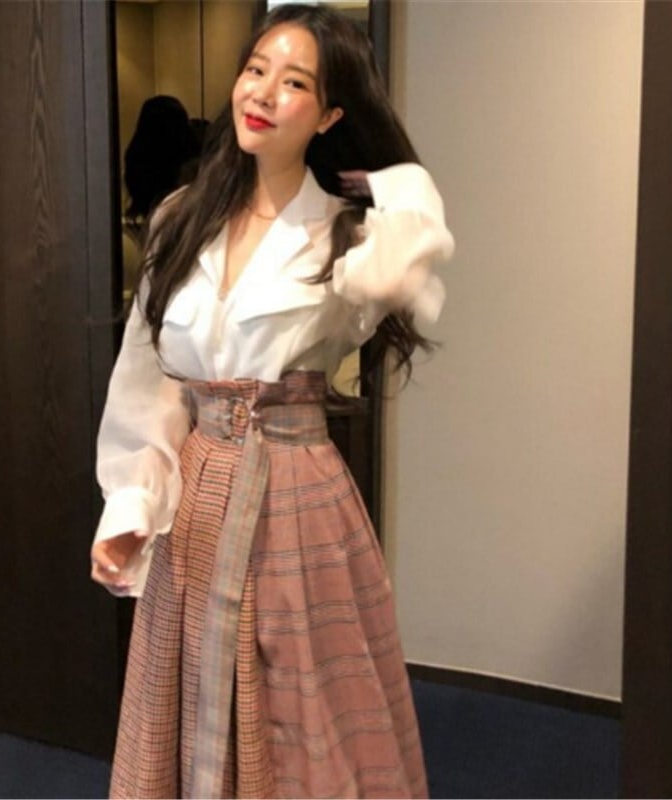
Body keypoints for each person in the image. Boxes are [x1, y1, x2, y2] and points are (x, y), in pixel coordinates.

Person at [90, 4, 455, 798]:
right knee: (184, 697)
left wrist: (383, 188)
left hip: (296, 500)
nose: (261, 92)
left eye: (294, 83)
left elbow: (416, 229)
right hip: (195, 497)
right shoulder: (178, 218)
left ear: (329, 115)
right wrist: (131, 502)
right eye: (255, 69)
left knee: (303, 715)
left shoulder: (351, 239)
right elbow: (150, 380)